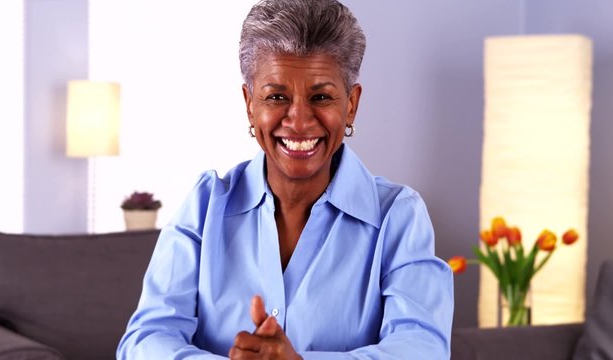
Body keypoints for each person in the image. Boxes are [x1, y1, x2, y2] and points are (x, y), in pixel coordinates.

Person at [117, 0, 454, 358]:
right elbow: (145, 341)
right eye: (276, 96)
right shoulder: (204, 206)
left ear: (351, 104)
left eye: (321, 96)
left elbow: (423, 348)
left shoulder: (398, 216)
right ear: (249, 103)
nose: (298, 120)